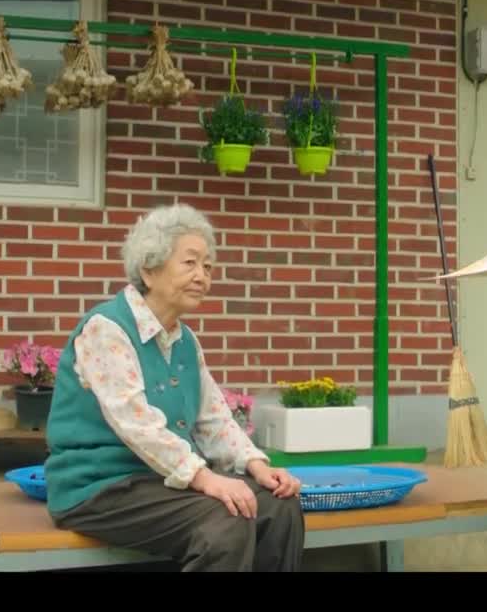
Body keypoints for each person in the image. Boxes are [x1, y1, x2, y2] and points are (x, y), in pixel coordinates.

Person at [43, 202, 305, 572]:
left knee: (280, 505)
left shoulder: (184, 341)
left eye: (208, 266)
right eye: (190, 263)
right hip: (99, 488)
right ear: (149, 270)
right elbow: (137, 425)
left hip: (159, 482)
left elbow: (213, 419)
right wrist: (205, 478)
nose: (202, 276)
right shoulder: (106, 329)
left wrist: (257, 465)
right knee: (225, 520)